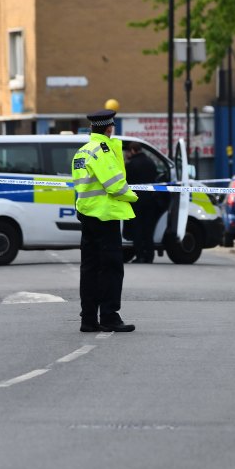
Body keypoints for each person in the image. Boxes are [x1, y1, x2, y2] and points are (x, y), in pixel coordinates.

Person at [71, 109, 138, 333]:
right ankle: (109, 316)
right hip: (105, 215)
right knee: (111, 268)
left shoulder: (82, 151)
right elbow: (115, 184)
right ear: (109, 128)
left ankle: (88, 319)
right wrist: (133, 196)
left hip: (87, 214)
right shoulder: (102, 151)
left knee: (89, 269)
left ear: (92, 127)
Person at [124, 141, 158, 263]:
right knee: (148, 230)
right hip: (150, 200)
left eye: (129, 151)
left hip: (136, 201)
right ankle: (150, 255)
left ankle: (140, 255)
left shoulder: (131, 164)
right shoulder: (150, 162)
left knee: (137, 229)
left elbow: (126, 182)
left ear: (133, 150)